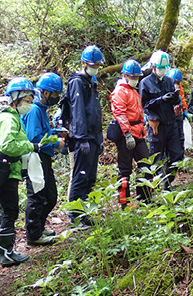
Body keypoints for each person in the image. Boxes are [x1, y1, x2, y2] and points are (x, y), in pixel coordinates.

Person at [0, 77, 37, 267]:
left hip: (8, 169)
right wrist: (30, 146)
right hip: (5, 170)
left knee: (6, 210)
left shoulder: (12, 117)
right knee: (10, 210)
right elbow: (8, 146)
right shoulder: (8, 118)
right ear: (15, 98)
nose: (30, 104)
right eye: (27, 100)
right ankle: (6, 253)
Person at [21, 72, 65, 245]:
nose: (56, 98)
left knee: (50, 196)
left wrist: (55, 133)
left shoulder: (41, 110)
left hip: (43, 157)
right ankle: (33, 234)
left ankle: (38, 226)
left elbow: (42, 133)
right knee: (37, 194)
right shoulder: (33, 110)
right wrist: (55, 142)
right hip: (35, 157)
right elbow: (33, 138)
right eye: (55, 94)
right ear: (46, 93)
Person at [65, 45, 104, 229]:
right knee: (80, 176)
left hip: (93, 137)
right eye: (92, 64)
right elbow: (77, 111)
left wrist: (99, 138)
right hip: (83, 138)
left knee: (90, 178)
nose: (95, 67)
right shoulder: (77, 82)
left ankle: (86, 214)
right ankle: (75, 215)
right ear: (84, 63)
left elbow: (95, 112)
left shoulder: (91, 81)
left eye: (97, 64)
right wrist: (81, 139)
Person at [139, 50, 183, 190]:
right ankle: (155, 187)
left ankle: (167, 182)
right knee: (156, 159)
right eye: (160, 68)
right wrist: (160, 100)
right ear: (153, 67)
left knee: (177, 155)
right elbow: (143, 105)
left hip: (171, 124)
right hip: (156, 126)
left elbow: (176, 101)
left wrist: (175, 100)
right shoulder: (145, 83)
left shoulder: (170, 81)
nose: (163, 71)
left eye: (165, 68)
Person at [110, 59, 152, 208]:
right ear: (125, 76)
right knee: (125, 171)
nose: (135, 80)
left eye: (136, 77)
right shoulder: (120, 91)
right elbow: (120, 113)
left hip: (139, 132)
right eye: (132, 77)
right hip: (126, 135)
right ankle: (124, 203)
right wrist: (127, 134)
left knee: (145, 165)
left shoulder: (133, 91)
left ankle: (145, 199)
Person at [166, 68, 189, 152]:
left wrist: (184, 108)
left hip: (178, 116)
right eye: (174, 82)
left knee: (180, 138)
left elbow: (181, 97)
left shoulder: (179, 88)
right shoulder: (164, 88)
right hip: (167, 118)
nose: (176, 84)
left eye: (177, 83)